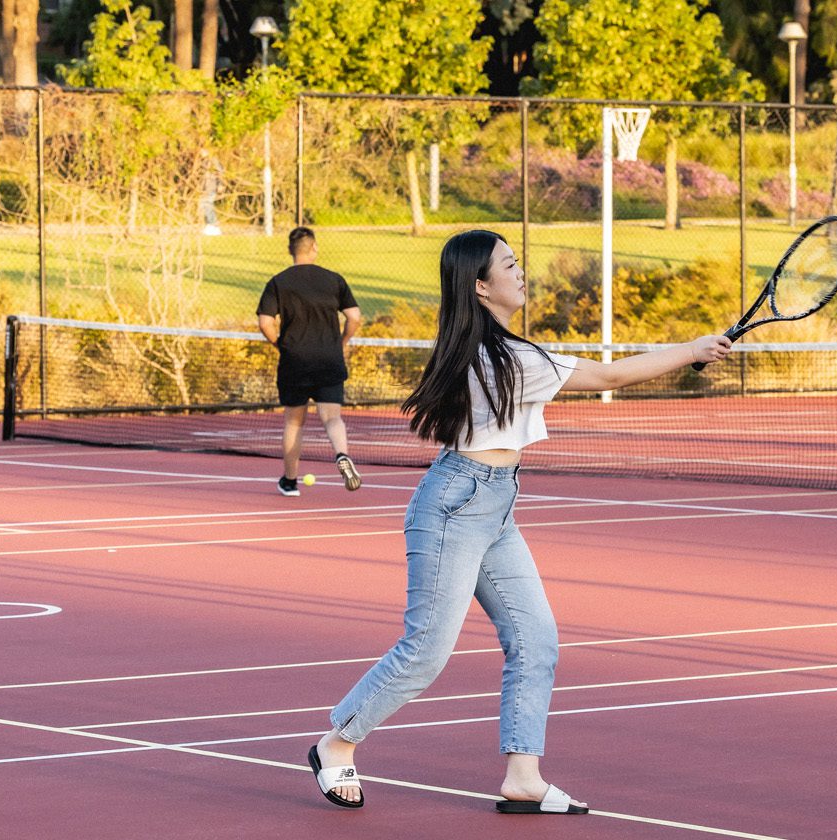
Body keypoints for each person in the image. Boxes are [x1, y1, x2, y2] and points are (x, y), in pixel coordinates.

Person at [306, 230, 730, 813]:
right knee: (427, 649)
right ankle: (336, 744)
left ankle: (523, 778)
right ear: (481, 287)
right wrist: (693, 349)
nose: (520, 271)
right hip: (458, 503)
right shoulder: (509, 358)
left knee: (536, 640)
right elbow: (609, 378)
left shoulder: (490, 348)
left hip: (494, 502)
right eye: (509, 264)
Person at [256, 227, 364, 495]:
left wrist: (279, 344)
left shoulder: (278, 282)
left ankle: (290, 482)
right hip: (329, 359)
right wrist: (342, 342)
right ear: (314, 247)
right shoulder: (333, 280)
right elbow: (354, 317)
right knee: (332, 418)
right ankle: (342, 455)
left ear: (290, 250)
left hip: (295, 362)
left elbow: (265, 322)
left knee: (294, 422)